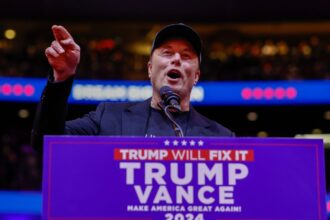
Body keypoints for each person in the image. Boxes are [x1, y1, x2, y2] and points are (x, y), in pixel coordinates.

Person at [31, 23, 234, 152]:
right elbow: (46, 144)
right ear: (149, 69)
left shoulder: (222, 138)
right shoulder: (108, 117)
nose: (177, 59)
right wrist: (62, 78)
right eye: (167, 52)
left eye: (187, 55)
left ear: (196, 75)